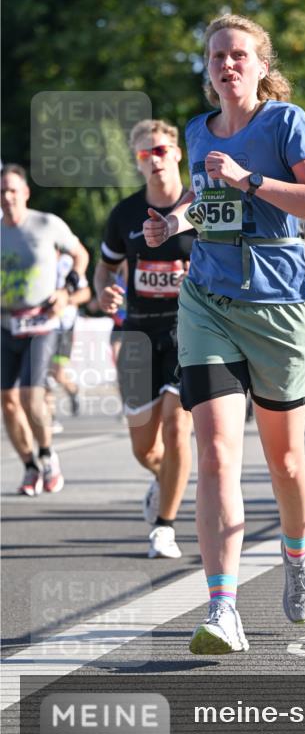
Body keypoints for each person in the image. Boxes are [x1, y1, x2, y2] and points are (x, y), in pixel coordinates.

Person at [143, 13, 305, 654]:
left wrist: (249, 178)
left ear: (260, 66)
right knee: (218, 453)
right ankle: (222, 608)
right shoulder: (198, 132)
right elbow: (210, 205)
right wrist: (174, 226)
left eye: (239, 55)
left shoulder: (286, 123)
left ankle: (298, 550)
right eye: (217, 56)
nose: (227, 64)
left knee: (284, 459)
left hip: (279, 308)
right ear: (207, 68)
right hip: (209, 302)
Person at [95, 119, 195, 559]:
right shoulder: (124, 215)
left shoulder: (201, 208)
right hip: (137, 334)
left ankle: (164, 526)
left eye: (160, 151)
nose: (154, 160)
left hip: (189, 331)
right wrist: (104, 290)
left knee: (178, 431)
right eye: (144, 155)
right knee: (145, 448)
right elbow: (105, 268)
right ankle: (165, 480)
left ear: (176, 154)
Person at [1, 164, 89, 494]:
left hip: (42, 322)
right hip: (6, 322)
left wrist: (67, 289)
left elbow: (80, 254)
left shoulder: (46, 224)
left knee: (30, 395)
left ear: (25, 193)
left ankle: (48, 455)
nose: (7, 197)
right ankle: (29, 466)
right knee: (7, 402)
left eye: (13, 190)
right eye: (2, 192)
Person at [46, 252, 91, 431]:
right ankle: (50, 419)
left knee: (57, 374)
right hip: (42, 326)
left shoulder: (68, 263)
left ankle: (73, 390)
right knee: (41, 374)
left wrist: (67, 299)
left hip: (64, 327)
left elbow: (86, 293)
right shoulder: (35, 258)